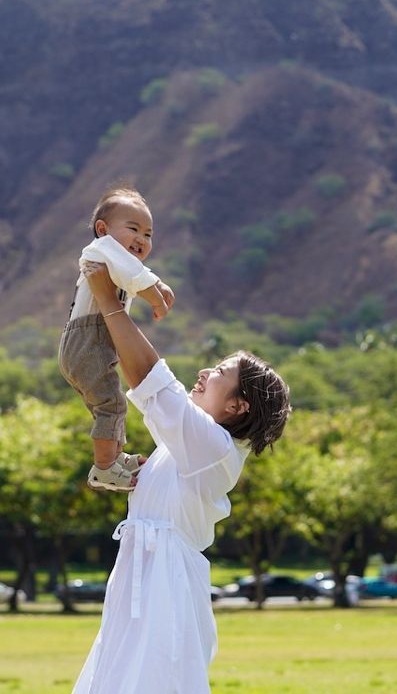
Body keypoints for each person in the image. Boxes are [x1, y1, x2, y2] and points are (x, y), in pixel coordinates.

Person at [72, 262, 291, 694]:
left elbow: (150, 378)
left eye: (221, 374)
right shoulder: (191, 447)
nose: (206, 373)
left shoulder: (214, 448)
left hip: (164, 586)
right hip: (144, 576)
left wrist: (106, 299)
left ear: (238, 406)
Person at [59, 187, 175, 492]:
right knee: (111, 405)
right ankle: (105, 468)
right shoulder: (99, 251)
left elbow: (134, 273)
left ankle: (113, 457)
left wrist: (157, 284)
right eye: (133, 229)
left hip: (90, 344)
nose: (142, 239)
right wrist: (156, 296)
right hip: (88, 341)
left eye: (148, 234)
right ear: (103, 230)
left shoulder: (116, 261)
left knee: (107, 404)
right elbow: (133, 275)